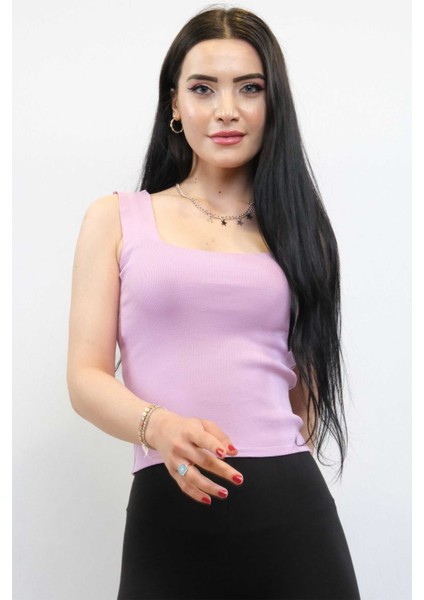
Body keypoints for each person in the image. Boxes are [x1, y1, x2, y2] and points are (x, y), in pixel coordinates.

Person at [67, 6, 361, 599]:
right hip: (168, 508)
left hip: (290, 513)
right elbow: (84, 378)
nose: (227, 109)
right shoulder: (117, 218)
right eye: (203, 88)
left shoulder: (301, 232)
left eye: (250, 88)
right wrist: (160, 426)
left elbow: (303, 399)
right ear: (174, 104)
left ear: (273, 104)